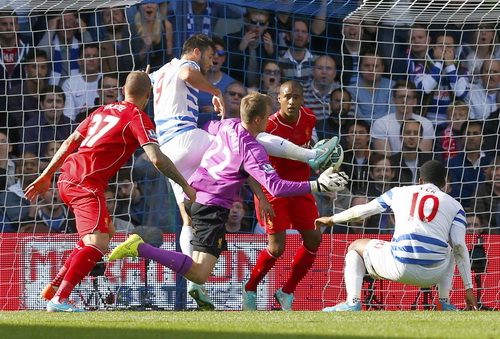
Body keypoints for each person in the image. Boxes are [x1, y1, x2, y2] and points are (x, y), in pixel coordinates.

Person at [149, 33, 343, 309]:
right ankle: (312, 156)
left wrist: (143, 79)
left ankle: (194, 284)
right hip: (188, 141)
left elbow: (146, 81)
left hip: (169, 147)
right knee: (244, 136)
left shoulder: (163, 70)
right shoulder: (185, 66)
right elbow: (186, 74)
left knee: (186, 217)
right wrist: (216, 91)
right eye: (207, 57)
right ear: (195, 52)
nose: (209, 63)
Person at [108, 92, 348, 311]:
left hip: (196, 197)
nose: (267, 124)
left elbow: (208, 124)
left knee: (199, 270)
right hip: (211, 207)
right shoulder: (253, 150)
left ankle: (142, 249)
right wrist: (317, 185)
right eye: (266, 118)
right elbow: (276, 186)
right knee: (200, 274)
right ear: (258, 120)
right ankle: (140, 247)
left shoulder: (228, 125)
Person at [24, 71, 196, 312]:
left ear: (123, 90)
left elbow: (69, 142)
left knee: (104, 232)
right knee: (98, 243)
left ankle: (54, 287)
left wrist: (46, 175)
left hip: (67, 177)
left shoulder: (102, 110)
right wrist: (185, 184)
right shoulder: (138, 117)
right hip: (86, 183)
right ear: (150, 95)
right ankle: (59, 300)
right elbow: (156, 159)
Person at [316, 160, 479, 312]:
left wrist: (332, 219)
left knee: (355, 246)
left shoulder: (398, 192)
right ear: (443, 184)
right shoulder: (456, 206)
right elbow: (459, 247)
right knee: (450, 248)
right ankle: (444, 301)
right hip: (433, 276)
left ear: (420, 180)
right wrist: (468, 288)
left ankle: (352, 302)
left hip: (399, 268)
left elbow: (361, 211)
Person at [243, 81, 326, 312]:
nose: (291, 101)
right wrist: (261, 197)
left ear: (302, 100)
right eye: (287, 96)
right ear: (278, 99)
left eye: (296, 97)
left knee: (314, 239)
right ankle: (250, 288)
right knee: (277, 247)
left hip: (300, 189)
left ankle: (286, 292)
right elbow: (248, 166)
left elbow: (312, 154)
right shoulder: (267, 126)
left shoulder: (309, 118)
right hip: (274, 191)